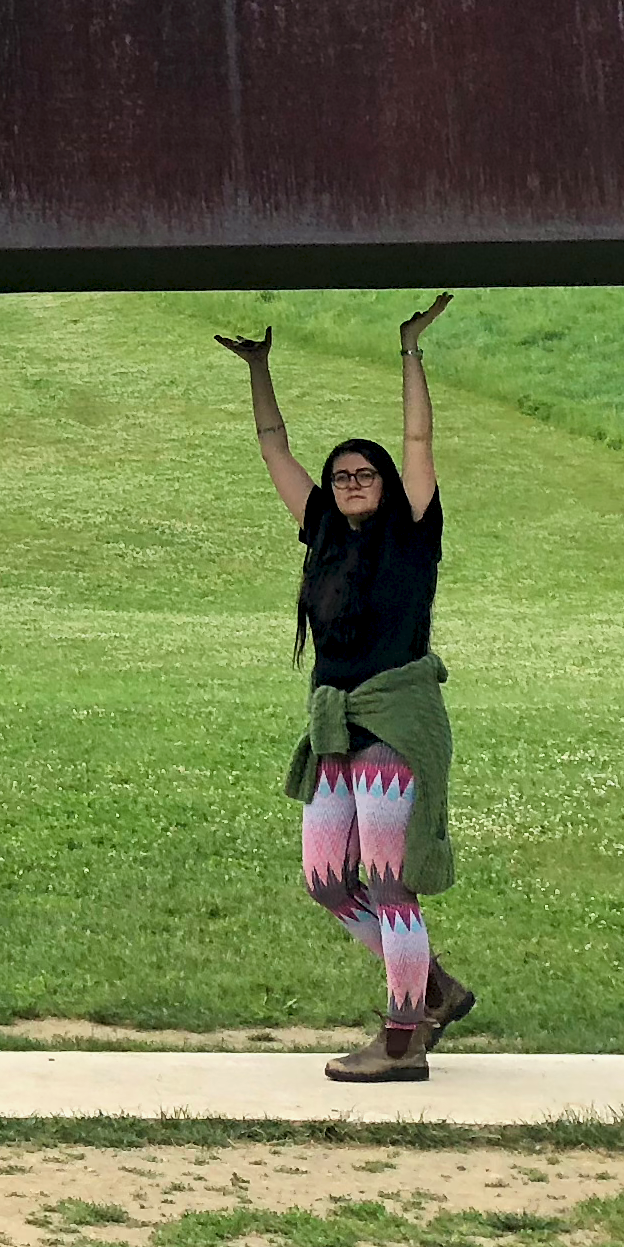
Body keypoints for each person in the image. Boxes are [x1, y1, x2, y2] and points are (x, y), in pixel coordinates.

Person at [216, 298, 474, 1082]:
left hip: (396, 715)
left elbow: (420, 437)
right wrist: (260, 372)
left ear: (387, 484)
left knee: (390, 881)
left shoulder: (412, 531)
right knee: (328, 879)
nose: (352, 481)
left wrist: (409, 352)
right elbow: (272, 449)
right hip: (336, 723)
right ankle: (434, 986)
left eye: (364, 473)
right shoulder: (324, 532)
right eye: (341, 476)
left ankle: (401, 1040)